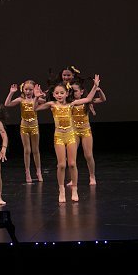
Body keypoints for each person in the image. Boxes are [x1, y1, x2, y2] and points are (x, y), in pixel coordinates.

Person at [34, 75, 100, 203]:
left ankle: (75, 189)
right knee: (61, 165)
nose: (59, 95)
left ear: (67, 93)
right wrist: (36, 97)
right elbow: (35, 108)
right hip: (59, 136)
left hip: (70, 136)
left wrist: (95, 86)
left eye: (62, 93)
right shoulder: (52, 104)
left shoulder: (72, 104)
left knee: (72, 164)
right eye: (57, 93)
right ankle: (61, 190)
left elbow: (88, 99)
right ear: (53, 94)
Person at [3, 80, 44, 183]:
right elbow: (7, 104)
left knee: (36, 150)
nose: (28, 91)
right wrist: (11, 92)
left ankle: (38, 171)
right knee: (27, 150)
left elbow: (47, 102)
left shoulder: (36, 99)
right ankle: (28, 172)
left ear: (34, 90)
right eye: (26, 89)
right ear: (23, 89)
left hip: (34, 126)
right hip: (24, 126)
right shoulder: (21, 99)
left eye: (30, 89)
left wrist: (41, 95)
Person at [68, 79, 106, 186]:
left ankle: (92, 176)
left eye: (76, 91)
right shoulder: (70, 102)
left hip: (85, 131)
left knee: (88, 155)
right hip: (74, 132)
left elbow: (103, 99)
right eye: (72, 91)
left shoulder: (87, 101)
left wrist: (98, 90)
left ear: (81, 91)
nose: (74, 93)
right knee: (71, 157)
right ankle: (72, 179)